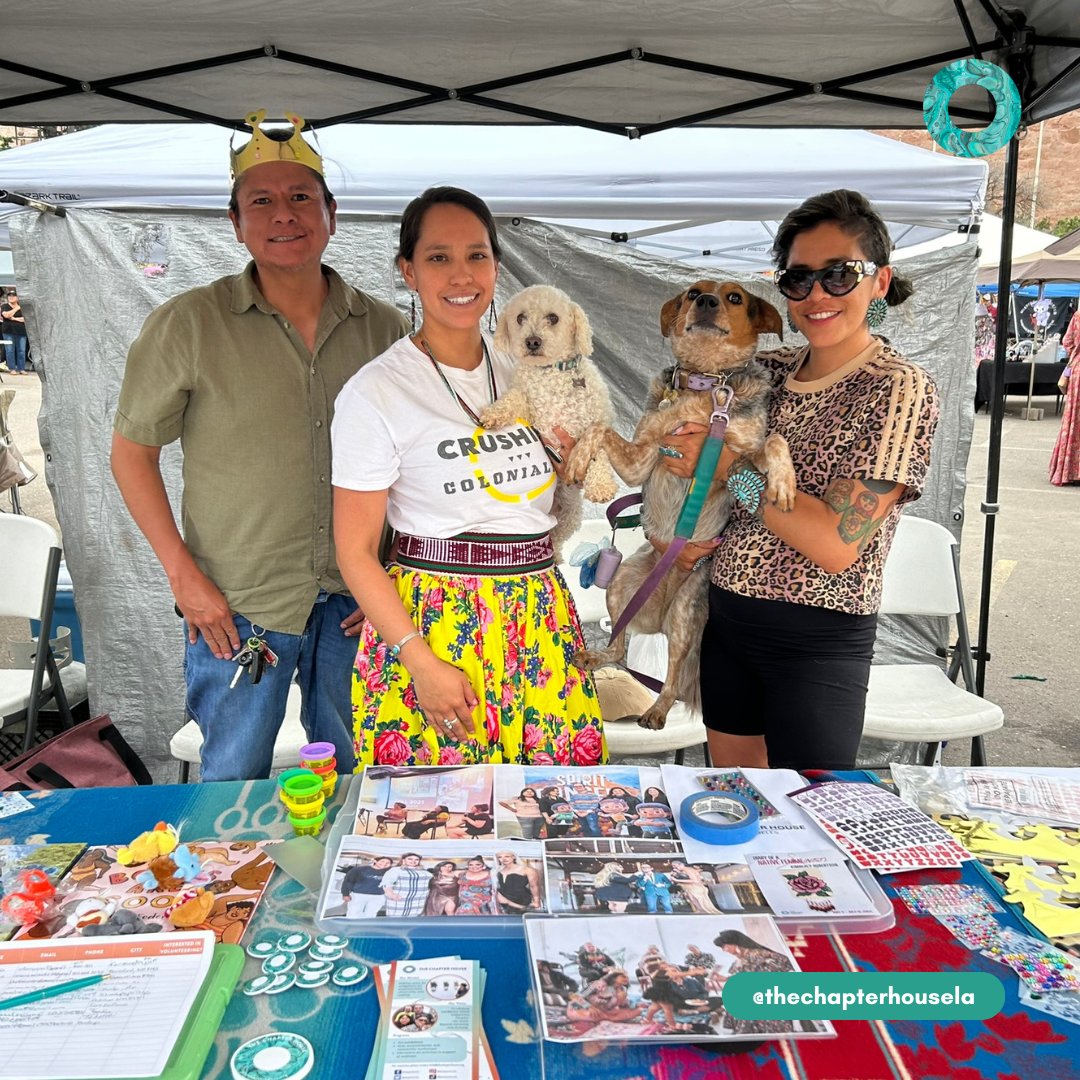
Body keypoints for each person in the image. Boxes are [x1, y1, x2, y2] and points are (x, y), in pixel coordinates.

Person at [111, 111, 408, 782]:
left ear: (331, 212)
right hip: (236, 603)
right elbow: (131, 455)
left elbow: (410, 465)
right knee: (230, 782)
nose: (284, 215)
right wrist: (185, 579)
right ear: (235, 220)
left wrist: (394, 569)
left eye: (301, 197)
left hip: (355, 601)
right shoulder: (188, 323)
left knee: (357, 779)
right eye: (262, 201)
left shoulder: (383, 329)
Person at [659, 189, 939, 772]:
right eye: (799, 278)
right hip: (726, 622)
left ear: (879, 282)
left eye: (840, 275)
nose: (817, 294)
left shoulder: (897, 388)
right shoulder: (766, 372)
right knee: (738, 809)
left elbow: (835, 543)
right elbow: (679, 445)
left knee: (811, 824)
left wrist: (726, 470)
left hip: (816, 644)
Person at [331, 185, 605, 767]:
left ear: (496, 267)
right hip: (434, 621)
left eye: (476, 255)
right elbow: (355, 551)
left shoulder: (531, 367)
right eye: (438, 257)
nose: (461, 275)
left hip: (538, 611)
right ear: (407, 270)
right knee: (435, 824)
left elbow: (586, 457)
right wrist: (418, 659)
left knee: (552, 814)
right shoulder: (377, 391)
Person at [711, 929, 796, 1034]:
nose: (725, 950)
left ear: (735, 943)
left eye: (725, 946)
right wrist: (725, 978)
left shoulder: (759, 955)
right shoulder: (739, 960)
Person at [1050, 307, 1080, 486]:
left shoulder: (1077, 316)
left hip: (1078, 371)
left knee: (1074, 420)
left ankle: (1069, 469)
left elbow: (1067, 341)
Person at [381, 852, 433, 917]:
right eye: (410, 859)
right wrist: (391, 894)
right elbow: (386, 883)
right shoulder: (396, 870)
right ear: (404, 860)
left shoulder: (425, 872)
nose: (413, 861)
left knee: (415, 920)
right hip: (400, 900)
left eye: (416, 859)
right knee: (396, 919)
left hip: (419, 901)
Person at [494, 849, 540, 913]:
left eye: (507, 856)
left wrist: (536, 902)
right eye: (500, 857)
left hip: (521, 900)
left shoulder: (527, 870)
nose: (503, 859)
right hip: (503, 902)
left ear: (514, 857)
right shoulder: (498, 871)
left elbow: (534, 886)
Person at [1, 291, 28, 374]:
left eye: (13, 296)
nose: (11, 297)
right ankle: (12, 368)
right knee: (9, 350)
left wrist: (13, 318)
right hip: (8, 331)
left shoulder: (23, 307)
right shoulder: (5, 306)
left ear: (17, 297)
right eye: (9, 296)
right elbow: (6, 315)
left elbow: (25, 319)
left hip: (21, 331)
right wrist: (16, 309)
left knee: (21, 351)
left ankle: (21, 368)